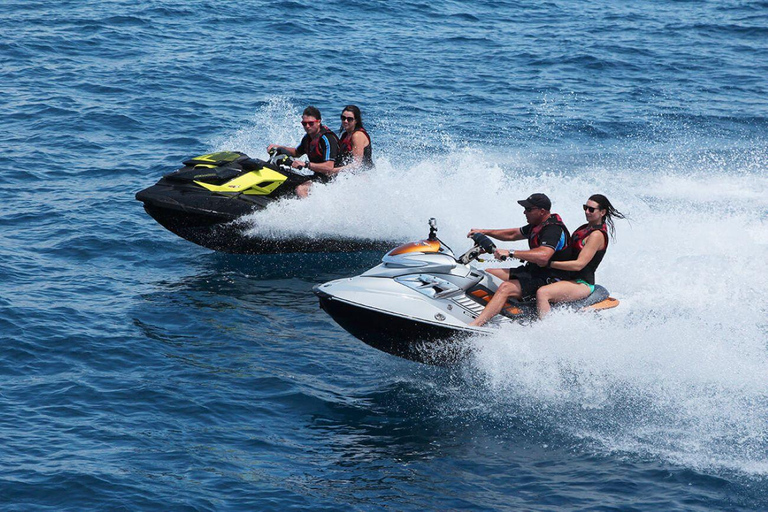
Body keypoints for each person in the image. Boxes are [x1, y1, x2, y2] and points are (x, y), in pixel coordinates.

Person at [467, 193, 571, 327]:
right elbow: (512, 234)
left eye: (528, 209)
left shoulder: (553, 229)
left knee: (506, 288)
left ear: (542, 211)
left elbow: (544, 255)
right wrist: (484, 232)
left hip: (550, 278)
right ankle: (489, 312)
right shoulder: (537, 224)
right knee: (486, 274)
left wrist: (510, 253)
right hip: (534, 271)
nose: (524, 212)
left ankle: (476, 324)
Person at [535, 194, 626, 318]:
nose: (587, 212)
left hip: (582, 283)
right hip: (567, 277)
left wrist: (549, 264)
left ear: (603, 212)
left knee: (543, 293)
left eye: (591, 209)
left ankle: (545, 329)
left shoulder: (597, 235)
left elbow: (579, 265)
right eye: (585, 207)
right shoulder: (584, 228)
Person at [267, 106, 339, 198]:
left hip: (333, 179)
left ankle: (310, 211)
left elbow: (329, 167)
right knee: (286, 179)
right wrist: (278, 147)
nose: (307, 126)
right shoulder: (308, 138)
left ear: (319, 122)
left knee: (301, 189)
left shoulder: (327, 139)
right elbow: (297, 153)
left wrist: (306, 165)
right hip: (318, 176)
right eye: (304, 124)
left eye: (311, 123)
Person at [335, 105, 373, 170]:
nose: (345, 121)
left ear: (356, 121)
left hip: (364, 174)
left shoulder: (357, 135)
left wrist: (334, 170)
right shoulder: (345, 135)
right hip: (350, 173)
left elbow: (357, 164)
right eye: (343, 118)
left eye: (349, 119)